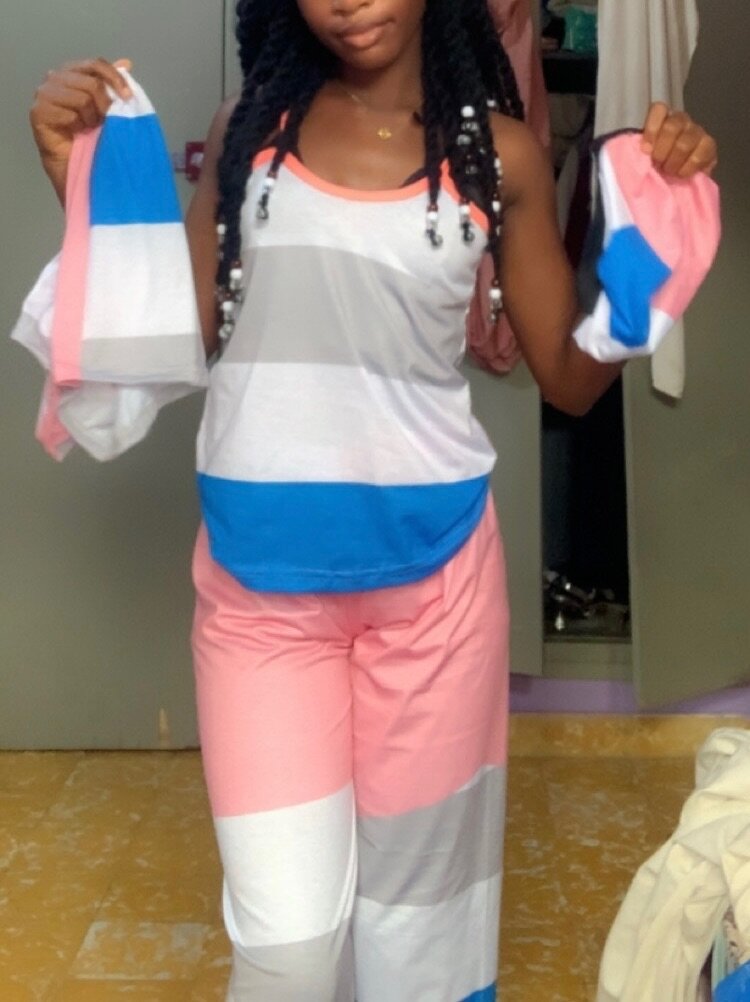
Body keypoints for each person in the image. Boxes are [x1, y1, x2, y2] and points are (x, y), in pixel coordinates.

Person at [28, 2, 718, 999]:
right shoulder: (247, 133)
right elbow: (175, 337)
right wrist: (82, 186)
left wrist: (651, 237)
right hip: (261, 599)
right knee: (288, 944)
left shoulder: (500, 156)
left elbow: (570, 381)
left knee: (419, 942)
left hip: (437, 595)